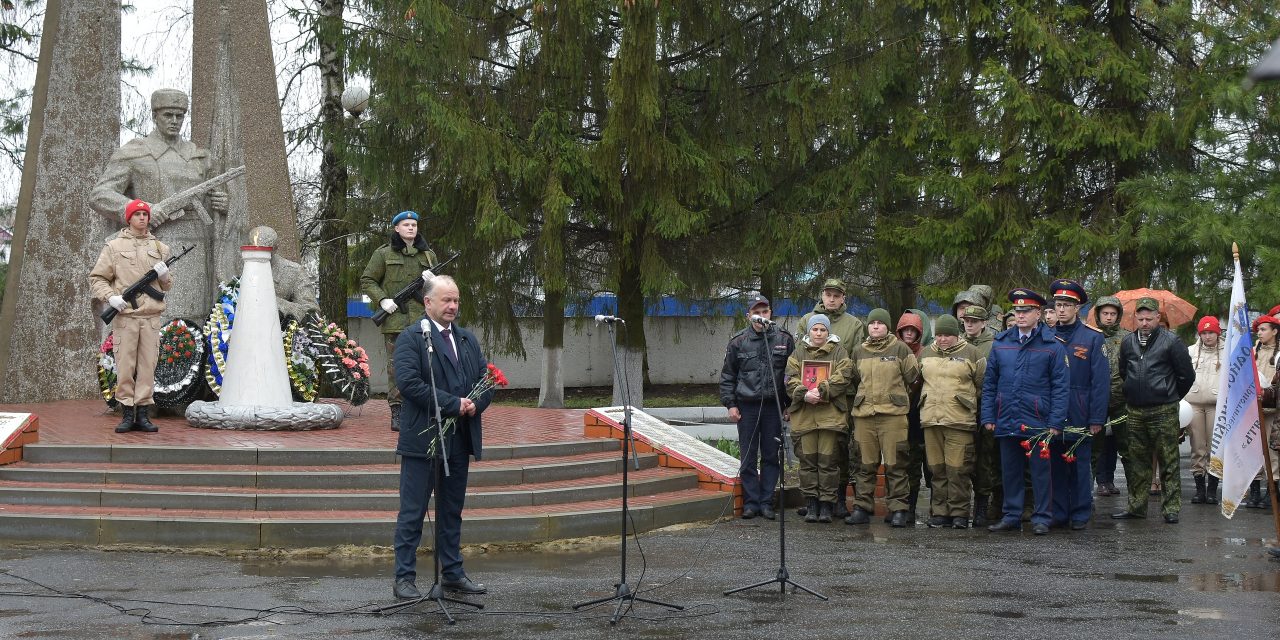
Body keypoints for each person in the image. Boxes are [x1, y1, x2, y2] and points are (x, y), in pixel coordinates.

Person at [392, 275, 493, 600]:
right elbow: (408, 383)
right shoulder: (411, 338)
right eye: (446, 300)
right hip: (424, 441)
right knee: (412, 513)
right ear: (428, 302)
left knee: (452, 511)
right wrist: (453, 404)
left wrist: (477, 402)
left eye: (456, 301)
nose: (452, 306)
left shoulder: (466, 339)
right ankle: (404, 579)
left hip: (458, 440)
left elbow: (484, 379)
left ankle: (452, 573)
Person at [90, 88, 229, 322]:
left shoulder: (199, 156)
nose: (175, 121)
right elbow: (100, 195)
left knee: (194, 318)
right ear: (155, 115)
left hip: (195, 248)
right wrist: (144, 210)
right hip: (149, 242)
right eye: (168, 115)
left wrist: (221, 203)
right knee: (151, 314)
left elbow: (212, 197)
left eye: (180, 115)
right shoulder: (136, 151)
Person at [981, 289, 1069, 535]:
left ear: (1038, 314)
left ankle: (1041, 517)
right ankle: (1011, 515)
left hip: (1037, 419)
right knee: (1010, 471)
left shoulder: (1052, 345)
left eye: (1025, 311)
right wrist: (988, 416)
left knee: (1041, 473)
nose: (1020, 315)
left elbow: (1060, 388)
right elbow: (990, 384)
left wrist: (1055, 422)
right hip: (1007, 416)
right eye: (1017, 311)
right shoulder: (1002, 343)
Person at [89, 199, 173, 433]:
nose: (142, 218)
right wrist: (110, 297)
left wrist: (164, 276)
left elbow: (166, 287)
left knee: (148, 366)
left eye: (145, 214)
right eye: (137, 214)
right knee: (125, 365)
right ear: (129, 218)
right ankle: (127, 413)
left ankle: (143, 414)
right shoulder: (113, 247)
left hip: (151, 317)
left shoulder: (160, 249)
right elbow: (97, 278)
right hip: (125, 317)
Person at [1112, 297, 1195, 523]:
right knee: (1137, 460)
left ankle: (1171, 509)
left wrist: (1171, 395)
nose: (1145, 322)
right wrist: (1132, 392)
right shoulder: (1128, 342)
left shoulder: (1171, 341)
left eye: (1149, 318)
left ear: (1158, 318)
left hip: (1163, 409)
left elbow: (1187, 375)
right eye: (1141, 318)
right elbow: (1123, 371)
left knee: (1169, 461)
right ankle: (1137, 507)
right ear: (1134, 319)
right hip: (1136, 410)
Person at [361, 211, 439, 431]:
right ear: (397, 228)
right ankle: (398, 411)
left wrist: (433, 282)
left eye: (414, 224)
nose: (411, 228)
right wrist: (383, 299)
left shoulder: (428, 256)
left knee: (426, 363)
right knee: (397, 367)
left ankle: (424, 408)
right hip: (395, 320)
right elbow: (367, 280)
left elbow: (437, 290)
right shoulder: (384, 254)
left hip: (423, 320)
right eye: (406, 224)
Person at [720, 294, 794, 520]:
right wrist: (731, 404)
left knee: (772, 455)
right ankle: (751, 502)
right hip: (747, 406)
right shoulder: (738, 341)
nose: (761, 316)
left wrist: (789, 405)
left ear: (770, 313)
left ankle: (766, 501)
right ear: (748, 315)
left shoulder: (784, 339)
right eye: (756, 312)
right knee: (748, 456)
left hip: (774, 406)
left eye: (765, 312)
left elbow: (792, 376)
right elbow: (727, 376)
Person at [845, 308, 920, 527]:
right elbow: (855, 378)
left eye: (880, 323)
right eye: (872, 323)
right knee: (865, 464)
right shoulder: (859, 351)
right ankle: (861, 507)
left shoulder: (900, 348)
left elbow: (913, 377)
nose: (875, 326)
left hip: (893, 416)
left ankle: (898, 509)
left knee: (896, 464)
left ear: (888, 326)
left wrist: (898, 398)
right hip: (865, 415)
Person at [798, 278, 865, 518]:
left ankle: (836, 498)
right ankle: (813, 499)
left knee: (839, 450)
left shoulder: (854, 324)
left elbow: (855, 361)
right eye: (828, 294)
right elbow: (800, 357)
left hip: (842, 397)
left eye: (837, 295)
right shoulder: (807, 320)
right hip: (809, 398)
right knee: (811, 452)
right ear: (822, 295)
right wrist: (805, 393)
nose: (832, 298)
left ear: (843, 297)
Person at [1046, 279, 1109, 530]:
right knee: (1056, 465)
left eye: (1067, 305)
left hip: (1081, 410)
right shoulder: (1047, 336)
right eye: (1058, 305)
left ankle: (1081, 513)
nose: (1061, 310)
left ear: (1077, 308)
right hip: (1053, 412)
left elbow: (1100, 382)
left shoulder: (1092, 338)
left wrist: (1096, 419)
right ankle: (1059, 512)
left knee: (1080, 466)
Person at [919, 314, 986, 528]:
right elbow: (918, 380)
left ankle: (959, 513)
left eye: (947, 335)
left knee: (958, 470)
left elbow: (982, 385)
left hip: (959, 420)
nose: (942, 339)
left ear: (956, 335)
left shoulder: (972, 353)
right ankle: (939, 512)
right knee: (936, 469)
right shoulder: (926, 353)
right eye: (939, 334)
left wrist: (967, 405)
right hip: (931, 419)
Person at [785, 314, 853, 523]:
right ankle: (811, 504)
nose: (819, 333)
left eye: (823, 330)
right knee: (807, 463)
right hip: (805, 418)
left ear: (828, 332)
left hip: (830, 418)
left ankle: (826, 505)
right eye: (815, 329)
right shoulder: (798, 352)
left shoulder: (839, 352)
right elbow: (789, 377)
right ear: (809, 331)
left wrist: (822, 391)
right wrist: (804, 393)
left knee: (828, 463)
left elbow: (844, 374)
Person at [961, 305, 998, 526]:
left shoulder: (995, 345)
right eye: (967, 320)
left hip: (985, 406)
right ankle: (961, 506)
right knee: (964, 458)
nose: (970, 324)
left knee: (985, 459)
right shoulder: (957, 343)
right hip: (961, 409)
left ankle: (982, 506)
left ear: (984, 323)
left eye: (975, 320)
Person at [1090, 295, 1129, 497]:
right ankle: (1098, 482)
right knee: (1096, 445)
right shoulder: (1090, 335)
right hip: (1096, 399)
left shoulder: (1127, 337)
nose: (1108, 317)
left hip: (1121, 398)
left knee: (1122, 444)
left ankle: (1112, 481)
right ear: (1098, 314)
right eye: (1105, 313)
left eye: (1113, 314)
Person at [1185, 316, 1223, 505]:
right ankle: (1200, 489)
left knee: (1214, 447)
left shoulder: (1228, 351)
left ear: (1218, 333)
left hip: (1217, 404)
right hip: (1194, 403)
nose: (1208, 336)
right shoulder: (1190, 351)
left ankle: (1212, 490)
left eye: (1211, 332)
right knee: (1197, 446)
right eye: (1204, 333)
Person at [896, 310, 929, 521]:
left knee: (922, 463)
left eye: (913, 330)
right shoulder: (892, 350)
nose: (909, 334)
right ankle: (902, 506)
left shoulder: (927, 353)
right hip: (897, 413)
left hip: (919, 413)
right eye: (905, 329)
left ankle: (922, 506)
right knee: (901, 462)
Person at [1247, 314, 1280, 508]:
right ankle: (1255, 490)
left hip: (1272, 409)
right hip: (1253, 408)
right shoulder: (1252, 351)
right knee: (1253, 450)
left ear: (1275, 331)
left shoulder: (1279, 354)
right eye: (1258, 330)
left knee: (1271, 451)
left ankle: (1272, 490)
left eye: (1264, 329)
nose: (1259, 333)